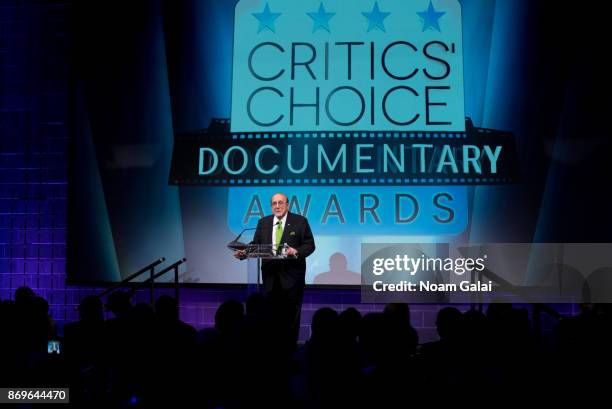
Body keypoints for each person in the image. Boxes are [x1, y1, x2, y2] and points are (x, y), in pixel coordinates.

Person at [234, 192, 315, 345]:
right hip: (270, 278)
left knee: (291, 318)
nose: (277, 206)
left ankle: (290, 348)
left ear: (287, 205)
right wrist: (244, 253)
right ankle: (272, 348)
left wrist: (296, 251)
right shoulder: (263, 222)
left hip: (292, 279)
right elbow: (256, 245)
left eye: (280, 203)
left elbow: (309, 245)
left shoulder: (299, 221)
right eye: (274, 203)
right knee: (270, 317)